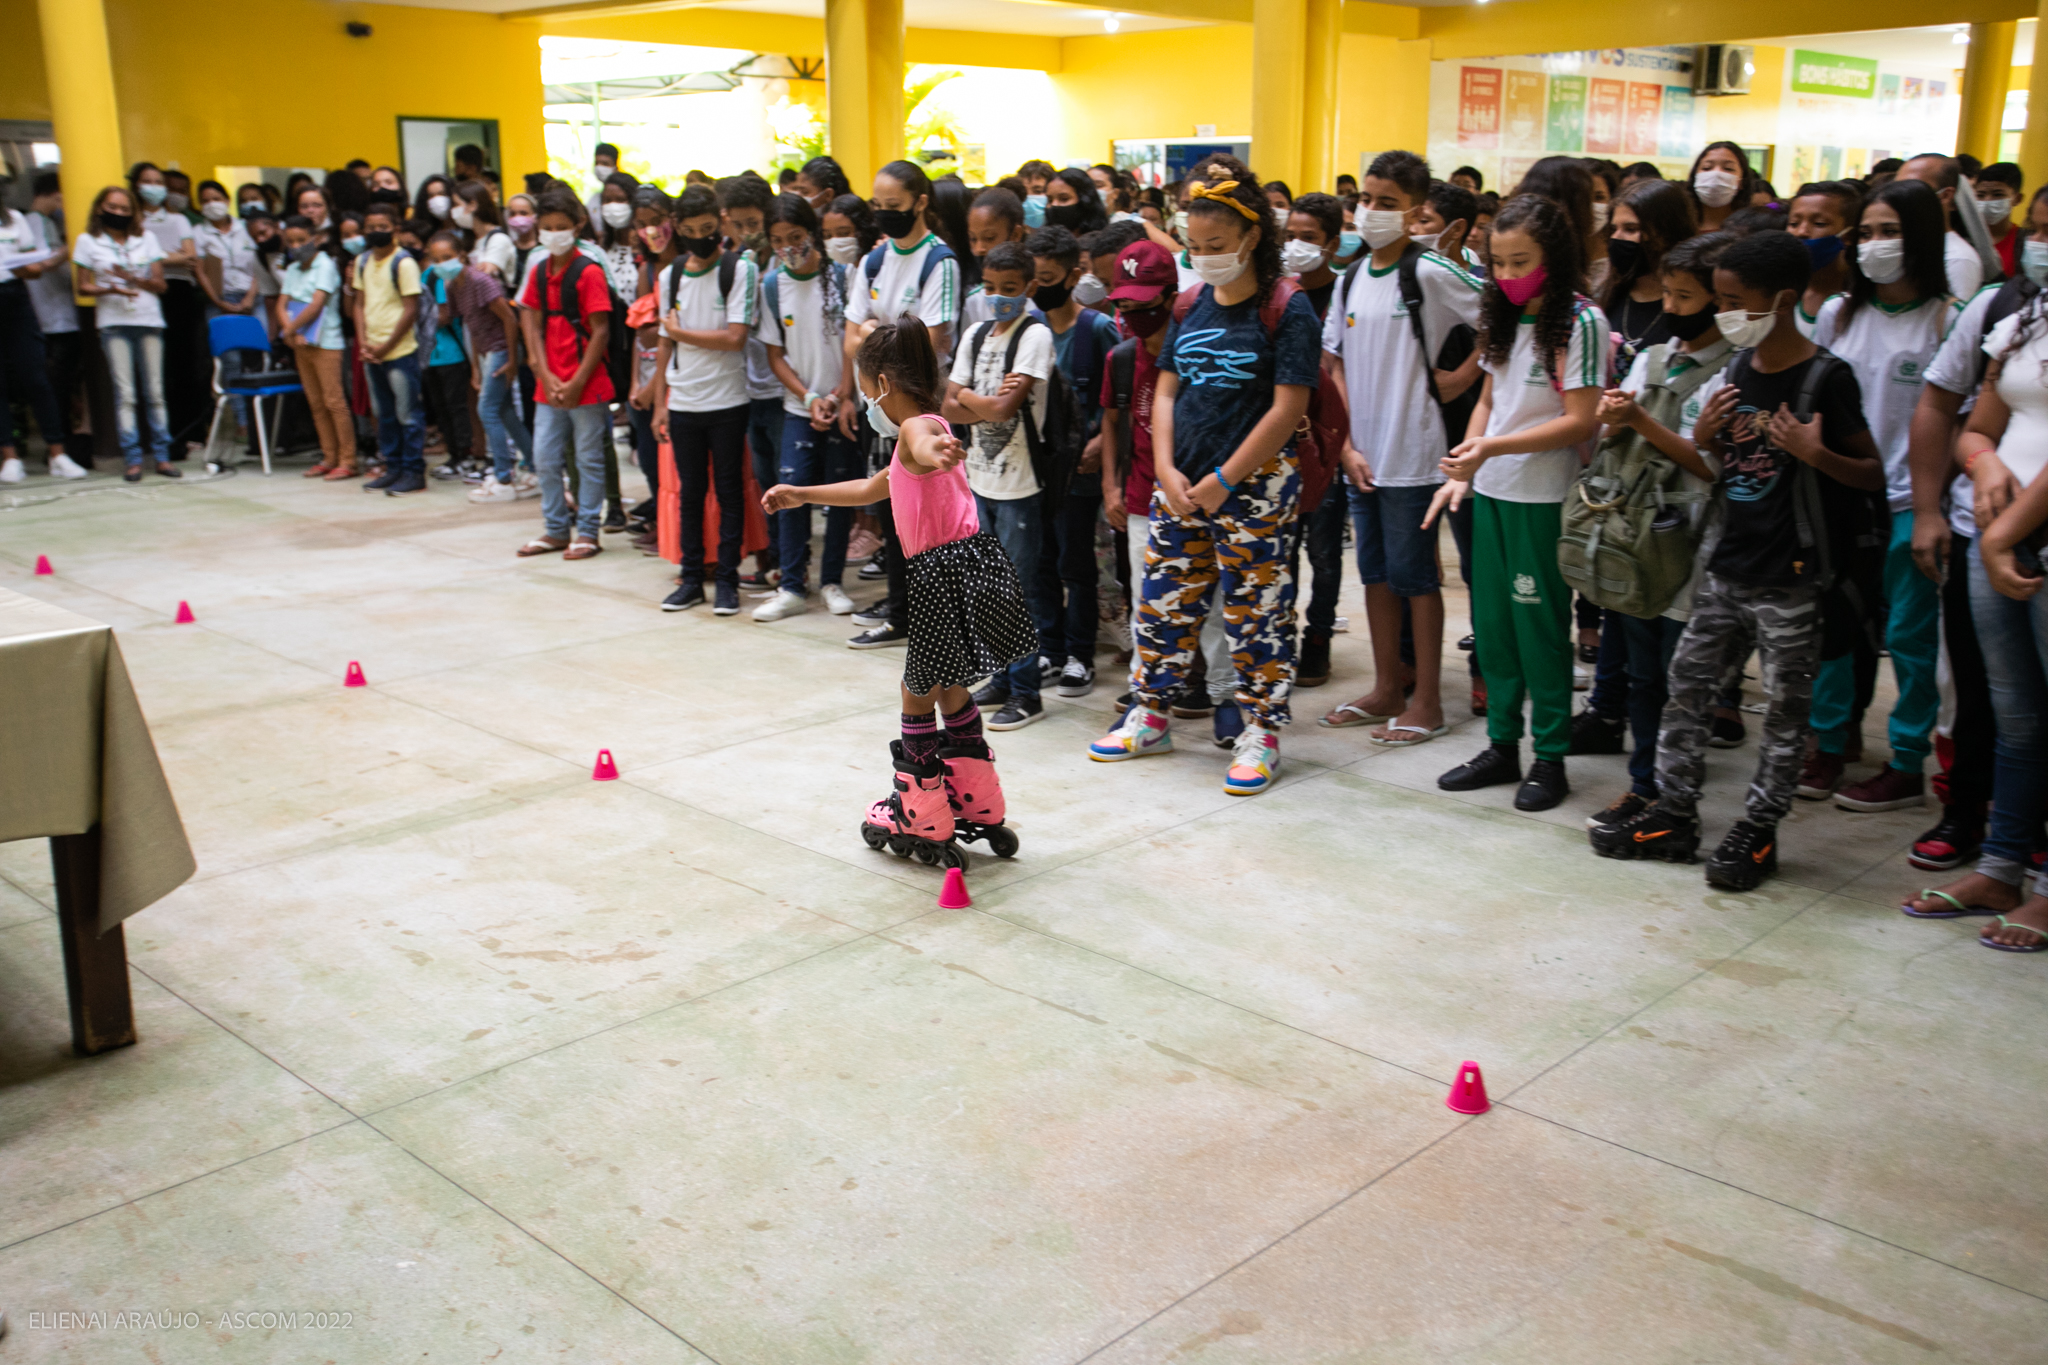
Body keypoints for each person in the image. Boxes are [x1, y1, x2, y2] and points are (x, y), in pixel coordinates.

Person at [1591, 230, 1885, 889]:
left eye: (1734, 300)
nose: (1723, 313)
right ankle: (1674, 812)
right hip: (1728, 564)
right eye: (1718, 298)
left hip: (1795, 577)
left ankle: (1758, 830)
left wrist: (1818, 455)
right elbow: (1715, 467)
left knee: (1784, 711)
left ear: (1781, 300)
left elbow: (1870, 473)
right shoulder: (1738, 370)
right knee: (1687, 689)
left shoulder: (1823, 379)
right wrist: (1698, 436)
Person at [762, 317, 1029, 866]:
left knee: (915, 690)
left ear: (882, 384)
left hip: (938, 572)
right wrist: (800, 493)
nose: (868, 405)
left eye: (865, 393)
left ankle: (921, 810)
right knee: (949, 683)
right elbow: (869, 487)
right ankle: (976, 798)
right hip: (970, 564)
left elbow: (925, 442)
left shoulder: (917, 430)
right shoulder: (921, 431)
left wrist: (936, 451)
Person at [1088, 173, 1320, 796]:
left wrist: (1225, 478)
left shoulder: (1287, 307)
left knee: (1257, 614)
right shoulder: (1191, 305)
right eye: (1194, 244)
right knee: (1161, 604)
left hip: (1255, 488)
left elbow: (1285, 408)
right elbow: (1166, 387)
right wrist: (1165, 465)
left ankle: (1261, 732)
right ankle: (1151, 714)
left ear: (1252, 236)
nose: (1204, 255)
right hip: (1181, 484)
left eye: (1217, 241)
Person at [1429, 193, 1609, 811]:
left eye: (1520, 261)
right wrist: (1467, 463)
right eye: (1498, 262)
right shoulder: (1501, 315)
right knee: (1495, 629)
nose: (1506, 275)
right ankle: (1502, 746)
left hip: (1543, 496)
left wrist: (1491, 449)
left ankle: (1550, 757)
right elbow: (1488, 397)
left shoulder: (1580, 323)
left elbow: (1580, 421)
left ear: (1554, 258)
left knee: (1539, 632)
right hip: (1493, 492)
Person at [1801, 179, 1961, 810]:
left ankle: (1905, 760)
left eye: (1888, 232)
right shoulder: (1842, 314)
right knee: (1835, 632)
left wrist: (1930, 507)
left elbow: (1955, 417)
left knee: (1915, 640)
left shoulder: (1949, 317)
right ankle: (1830, 743)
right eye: (1864, 233)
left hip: (1911, 504)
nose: (1873, 245)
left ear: (1920, 237)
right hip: (1841, 494)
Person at [1317, 150, 1484, 747]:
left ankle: (1430, 701)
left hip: (1414, 456)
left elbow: (1501, 310)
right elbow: (1330, 362)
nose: (1371, 211)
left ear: (1415, 213)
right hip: (1363, 458)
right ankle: (1388, 686)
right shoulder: (1351, 278)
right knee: (1377, 576)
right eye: (1366, 199)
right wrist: (1345, 446)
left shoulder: (1431, 272)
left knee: (1417, 579)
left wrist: (1466, 374)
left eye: (1387, 203)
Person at [1578, 231, 1737, 827]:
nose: (1671, 308)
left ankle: (1677, 796)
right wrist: (1614, 420)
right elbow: (1616, 441)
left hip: (1691, 545)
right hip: (1636, 537)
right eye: (1667, 293)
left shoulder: (1730, 373)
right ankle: (1643, 785)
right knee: (1642, 676)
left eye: (1686, 296)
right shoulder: (1653, 357)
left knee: (1683, 681)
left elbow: (1706, 463)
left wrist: (1638, 416)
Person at [1906, 304, 2048, 949]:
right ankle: (2000, 868)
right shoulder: (2027, 317)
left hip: (2013, 539)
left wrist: (2003, 537)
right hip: (1997, 533)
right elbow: (1976, 425)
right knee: (2014, 719)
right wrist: (1985, 463)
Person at [840, 159, 962, 648]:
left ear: (920, 202)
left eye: (895, 206)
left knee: (931, 521)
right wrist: (876, 338)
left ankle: (934, 621)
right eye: (879, 207)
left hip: (921, 410)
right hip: (881, 406)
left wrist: (872, 335)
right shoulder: (874, 260)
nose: (886, 214)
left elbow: (929, 341)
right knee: (891, 510)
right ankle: (900, 612)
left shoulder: (940, 262)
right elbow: (850, 337)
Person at [942, 241, 1054, 729]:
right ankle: (1004, 677)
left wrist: (969, 398)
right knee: (987, 585)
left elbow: (1006, 410)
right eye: (990, 289)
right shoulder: (975, 334)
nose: (999, 298)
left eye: (1010, 290)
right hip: (980, 478)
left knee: (1019, 586)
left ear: (1029, 288)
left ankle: (1027, 691)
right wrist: (978, 399)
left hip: (1021, 479)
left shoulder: (1035, 336)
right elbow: (947, 407)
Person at [652, 184, 758, 612]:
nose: (702, 237)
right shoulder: (670, 276)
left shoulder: (739, 270)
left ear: (722, 224)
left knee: (729, 491)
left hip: (728, 401)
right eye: (692, 230)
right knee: (691, 493)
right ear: (678, 228)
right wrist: (660, 400)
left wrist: (680, 333)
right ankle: (691, 577)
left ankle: (728, 579)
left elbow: (735, 339)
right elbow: (663, 343)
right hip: (684, 403)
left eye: (709, 229)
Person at [1025, 224, 1118, 698]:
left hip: (1080, 473)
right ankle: (1050, 646)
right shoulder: (1029, 329)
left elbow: (1118, 397)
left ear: (1073, 274)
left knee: (1076, 564)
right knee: (1040, 561)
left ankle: (1081, 654)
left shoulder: (1097, 329)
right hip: (1038, 469)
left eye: (1049, 276)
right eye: (1033, 278)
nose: (1040, 287)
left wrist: (1102, 440)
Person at [755, 191, 858, 620]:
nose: (788, 248)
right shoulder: (772, 285)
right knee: (790, 490)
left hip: (845, 403)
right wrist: (810, 397)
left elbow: (854, 344)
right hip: (801, 407)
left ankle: (831, 580)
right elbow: (776, 355)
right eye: (778, 240)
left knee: (839, 493)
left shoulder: (844, 277)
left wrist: (841, 394)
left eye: (795, 236)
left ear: (812, 232)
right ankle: (793, 584)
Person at [516, 189, 615, 560]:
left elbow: (600, 330)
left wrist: (576, 382)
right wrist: (543, 370)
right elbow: (531, 321)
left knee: (588, 457)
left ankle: (588, 530)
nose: (553, 233)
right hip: (549, 382)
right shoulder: (540, 269)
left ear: (577, 225)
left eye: (561, 227)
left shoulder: (588, 270)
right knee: (543, 456)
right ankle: (556, 528)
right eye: (547, 227)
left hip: (586, 382)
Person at [72, 185, 175, 480]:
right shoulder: (87, 241)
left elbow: (161, 284)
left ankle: (163, 457)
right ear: (100, 208)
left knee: (155, 392)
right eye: (113, 208)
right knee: (126, 393)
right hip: (113, 321)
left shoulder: (147, 238)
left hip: (149, 319)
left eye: (125, 209)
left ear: (133, 213)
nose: (118, 213)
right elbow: (82, 286)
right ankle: (133, 459)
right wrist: (110, 288)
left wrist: (132, 278)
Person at [718, 173, 785, 586]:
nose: (746, 233)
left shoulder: (782, 262)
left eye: (753, 224)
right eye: (738, 225)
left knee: (785, 477)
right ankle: (772, 557)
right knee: (764, 477)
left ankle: (789, 563)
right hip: (749, 386)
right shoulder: (735, 263)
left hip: (783, 389)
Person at [350, 200, 427, 494]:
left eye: (382, 227)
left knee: (408, 413)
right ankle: (392, 467)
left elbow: (411, 309)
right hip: (371, 351)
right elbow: (359, 303)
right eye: (370, 228)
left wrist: (385, 346)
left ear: (394, 229)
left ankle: (413, 471)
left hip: (399, 350)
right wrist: (365, 342)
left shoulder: (403, 262)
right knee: (384, 414)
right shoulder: (362, 261)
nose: (376, 232)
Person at [276, 215, 357, 479]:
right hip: (300, 341)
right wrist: (291, 333)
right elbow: (281, 304)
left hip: (326, 341)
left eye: (302, 240)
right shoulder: (291, 270)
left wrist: (288, 330)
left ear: (315, 239)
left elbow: (317, 303)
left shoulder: (325, 265)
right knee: (316, 402)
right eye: (291, 242)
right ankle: (328, 456)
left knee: (334, 401)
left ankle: (347, 460)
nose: (297, 246)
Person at [18, 173, 87, 477]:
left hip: (61, 315)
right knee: (53, 386)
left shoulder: (46, 223)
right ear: (55, 194)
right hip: (49, 317)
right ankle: (57, 449)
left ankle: (64, 446)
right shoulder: (32, 223)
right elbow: (42, 264)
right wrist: (73, 247)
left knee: (63, 385)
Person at [1601, 178, 1698, 375]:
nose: (1616, 238)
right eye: (1614, 229)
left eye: (1630, 229)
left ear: (1666, 233)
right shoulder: (1609, 295)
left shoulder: (1691, 305)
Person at [419, 232, 480, 480]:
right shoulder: (427, 275)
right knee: (441, 408)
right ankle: (453, 456)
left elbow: (444, 316)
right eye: (435, 258)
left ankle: (466, 457)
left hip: (452, 353)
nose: (440, 263)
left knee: (457, 407)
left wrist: (420, 320)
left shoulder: (453, 279)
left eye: (446, 257)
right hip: (429, 354)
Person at [1896, 153, 1987, 299]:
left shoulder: (1958, 259)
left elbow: (1953, 318)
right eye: (1896, 187)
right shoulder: (1900, 242)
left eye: (1913, 188)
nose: (1899, 196)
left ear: (1945, 195)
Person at [1785, 180, 1861, 337]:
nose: (1801, 232)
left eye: (1819, 223)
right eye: (1794, 223)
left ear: (1849, 235)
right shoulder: (1783, 295)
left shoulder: (1861, 298)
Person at [1686, 141, 1754, 234]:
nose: (1716, 174)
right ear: (1695, 177)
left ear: (1742, 181)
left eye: (1728, 168)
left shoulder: (1751, 229)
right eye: (1707, 168)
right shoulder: (1677, 225)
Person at [1974, 162, 2024, 279]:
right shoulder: (1965, 237)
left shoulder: (2024, 243)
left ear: (2017, 199)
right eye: (1980, 195)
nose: (1987, 201)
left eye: (1997, 194)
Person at [586, 142, 621, 222]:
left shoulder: (626, 194)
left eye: (605, 163)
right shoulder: (594, 200)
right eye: (597, 163)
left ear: (615, 166)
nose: (599, 167)